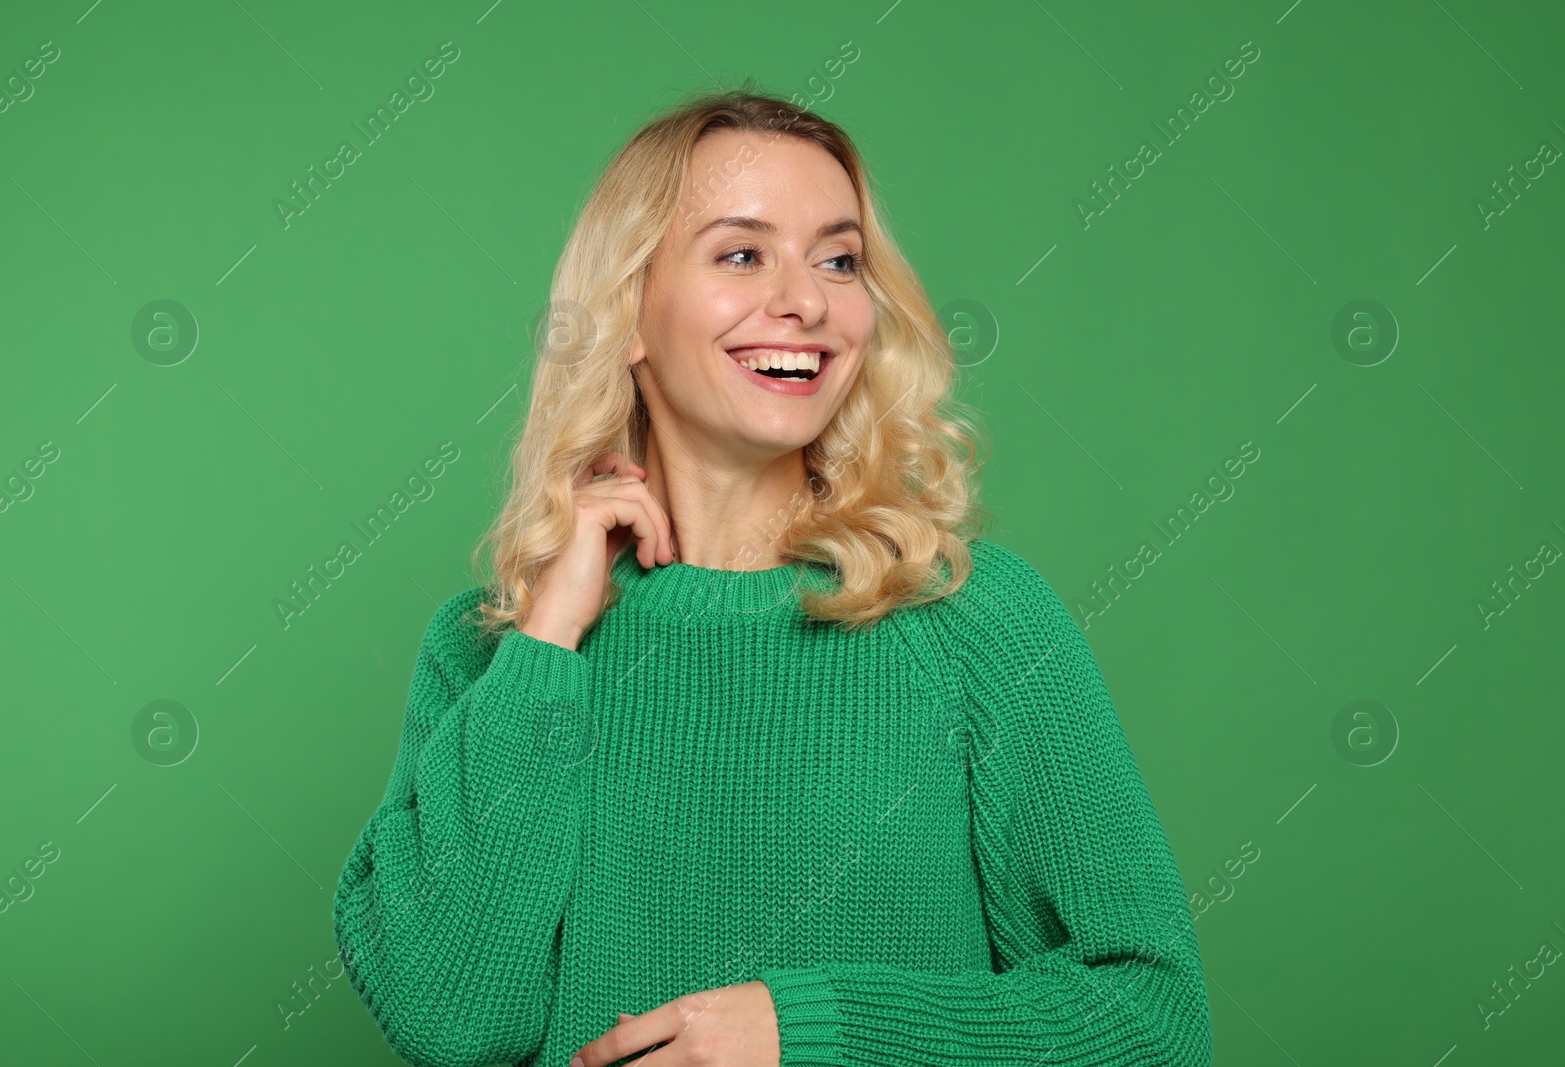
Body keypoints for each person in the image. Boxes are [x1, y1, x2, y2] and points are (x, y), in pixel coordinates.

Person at [331, 83, 1214, 1067]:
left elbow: (1148, 1019)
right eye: (742, 253)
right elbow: (453, 1021)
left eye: (838, 260)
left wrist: (813, 1029)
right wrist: (547, 642)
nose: (805, 301)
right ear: (626, 311)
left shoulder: (972, 617)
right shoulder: (493, 652)